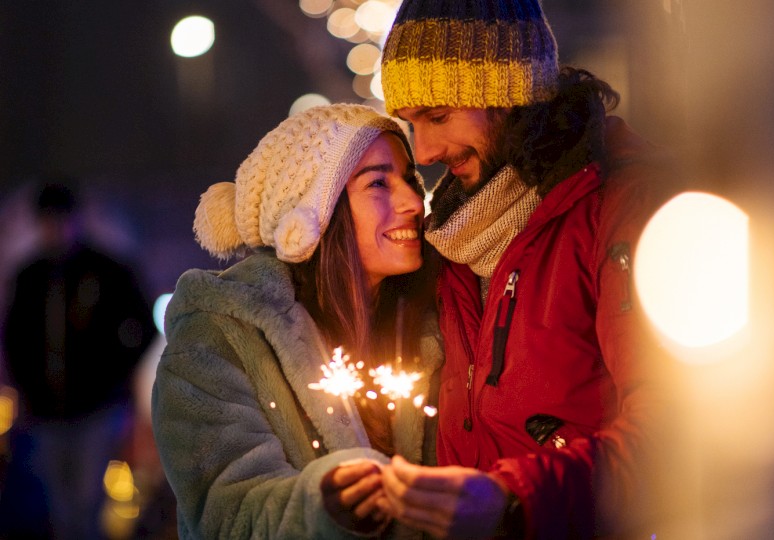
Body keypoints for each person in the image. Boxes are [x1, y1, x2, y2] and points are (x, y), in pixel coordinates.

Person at [376, 1, 683, 538]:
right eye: (411, 123)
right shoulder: (456, 234)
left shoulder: (624, 204)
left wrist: (511, 500)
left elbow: (678, 429)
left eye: (439, 115)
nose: (423, 151)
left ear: (509, 93)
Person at [150, 103, 443, 539]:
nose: (413, 201)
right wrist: (326, 505)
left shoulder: (431, 321)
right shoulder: (215, 339)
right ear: (311, 213)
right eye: (378, 183)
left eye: (409, 178)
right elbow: (227, 513)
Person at [0, 178, 157, 539]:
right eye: (47, 221)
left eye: (60, 219)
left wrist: (115, 374)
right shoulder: (30, 276)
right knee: (60, 504)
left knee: (87, 502)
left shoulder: (107, 271)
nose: (54, 230)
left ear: (75, 219)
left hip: (96, 409)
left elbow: (141, 326)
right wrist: (23, 387)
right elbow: (14, 337)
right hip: (46, 412)